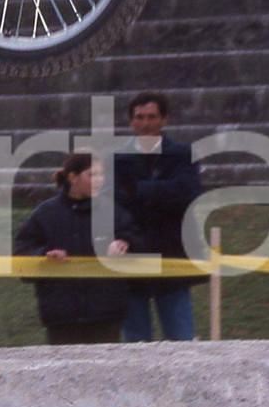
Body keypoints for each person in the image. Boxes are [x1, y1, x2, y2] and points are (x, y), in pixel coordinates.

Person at [14, 152, 138, 345]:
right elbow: (21, 254)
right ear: (72, 177)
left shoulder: (113, 211)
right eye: (91, 175)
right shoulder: (45, 213)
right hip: (61, 315)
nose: (98, 181)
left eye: (101, 175)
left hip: (106, 313)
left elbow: (138, 242)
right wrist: (44, 256)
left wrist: (125, 244)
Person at [114, 91, 206, 342]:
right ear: (131, 121)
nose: (145, 123)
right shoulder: (115, 159)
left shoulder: (184, 154)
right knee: (135, 344)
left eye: (152, 117)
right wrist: (162, 192)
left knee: (181, 341)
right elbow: (113, 200)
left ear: (164, 119)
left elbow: (188, 192)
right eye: (139, 117)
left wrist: (139, 190)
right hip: (131, 253)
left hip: (172, 252)